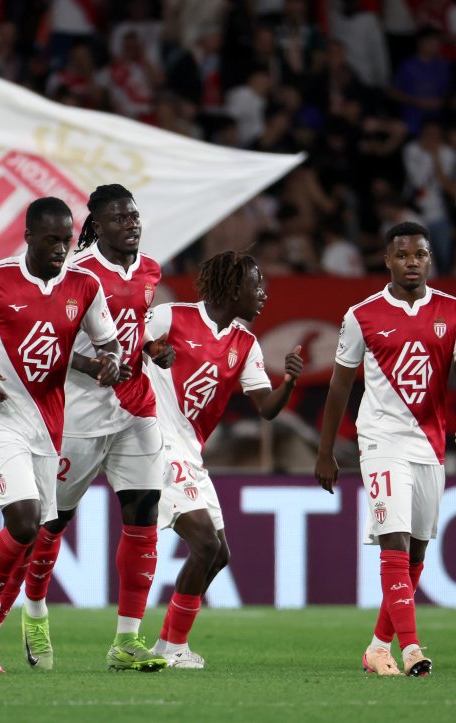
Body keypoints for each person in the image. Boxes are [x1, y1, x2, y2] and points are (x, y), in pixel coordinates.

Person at [0, 185, 175, 672]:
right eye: (118, 218)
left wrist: (153, 350)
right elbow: (52, 341)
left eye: (134, 215)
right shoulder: (78, 272)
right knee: (50, 525)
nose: (130, 224)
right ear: (96, 224)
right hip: (78, 416)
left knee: (144, 516)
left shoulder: (151, 270)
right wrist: (94, 365)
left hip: (137, 409)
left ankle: (127, 640)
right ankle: (34, 612)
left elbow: (138, 328)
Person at [0, 197, 121, 674]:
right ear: (29, 237)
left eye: (67, 239)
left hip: (50, 423)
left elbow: (108, 346)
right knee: (21, 522)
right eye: (52, 240)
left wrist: (109, 363)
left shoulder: (86, 285)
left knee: (35, 530)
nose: (62, 249)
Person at [315, 221, 456, 677]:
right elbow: (338, 388)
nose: (412, 263)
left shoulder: (454, 310)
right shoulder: (362, 314)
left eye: (420, 255)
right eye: (403, 255)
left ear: (430, 259)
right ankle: (412, 650)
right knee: (395, 538)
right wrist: (326, 450)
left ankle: (376, 648)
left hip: (431, 442)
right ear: (387, 260)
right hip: (380, 438)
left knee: (417, 553)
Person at [145, 251, 304, 668]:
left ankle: (166, 645)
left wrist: (287, 382)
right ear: (233, 288)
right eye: (256, 285)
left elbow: (266, 408)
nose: (263, 294)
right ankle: (175, 648)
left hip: (191, 451)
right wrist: (150, 351)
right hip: (155, 441)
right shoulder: (170, 317)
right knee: (205, 543)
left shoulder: (245, 343)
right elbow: (127, 345)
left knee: (219, 555)